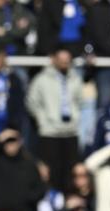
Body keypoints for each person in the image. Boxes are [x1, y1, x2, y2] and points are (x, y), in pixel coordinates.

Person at [26, 46, 83, 194]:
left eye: (67, 61)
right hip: (50, 133)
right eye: (61, 60)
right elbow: (32, 102)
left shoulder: (75, 79)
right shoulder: (42, 79)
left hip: (70, 132)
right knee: (52, 175)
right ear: (54, 60)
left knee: (71, 176)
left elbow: (79, 101)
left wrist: (75, 117)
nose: (64, 64)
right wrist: (42, 119)